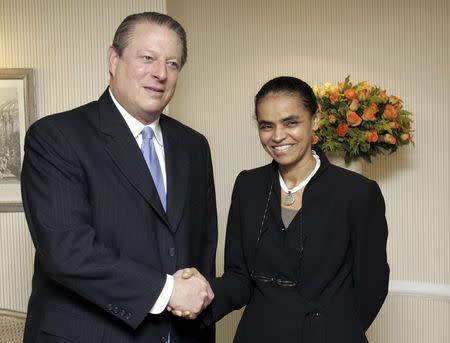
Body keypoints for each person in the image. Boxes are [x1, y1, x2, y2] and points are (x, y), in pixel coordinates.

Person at [20, 12, 217, 343]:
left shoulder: (194, 145)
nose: (160, 74)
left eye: (172, 64)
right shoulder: (57, 136)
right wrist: (169, 292)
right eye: (148, 58)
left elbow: (202, 244)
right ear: (114, 59)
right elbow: (67, 251)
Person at [176, 76, 390, 342]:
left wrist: (333, 329)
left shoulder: (357, 193)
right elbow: (239, 278)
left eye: (291, 122)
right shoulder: (248, 185)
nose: (277, 136)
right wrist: (200, 293)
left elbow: (372, 287)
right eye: (267, 126)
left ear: (315, 120)